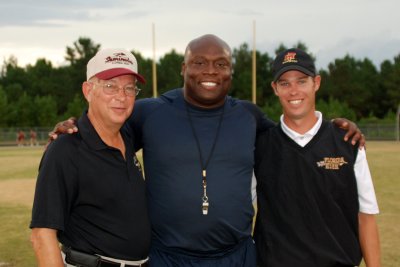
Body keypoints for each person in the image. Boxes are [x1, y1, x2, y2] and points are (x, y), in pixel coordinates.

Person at [50, 35, 365, 267]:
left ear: (231, 70)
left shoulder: (249, 116)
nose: (210, 71)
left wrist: (335, 127)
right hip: (167, 257)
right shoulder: (151, 112)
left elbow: (294, 136)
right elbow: (106, 125)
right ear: (184, 68)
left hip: (237, 256)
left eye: (221, 64)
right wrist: (73, 125)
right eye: (199, 63)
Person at [254, 48, 381, 267]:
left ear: (317, 83)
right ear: (275, 88)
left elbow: (366, 216)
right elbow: (243, 213)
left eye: (302, 81)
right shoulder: (260, 146)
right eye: (285, 83)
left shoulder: (348, 142)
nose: (294, 91)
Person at [30, 48, 151, 267]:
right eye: (110, 86)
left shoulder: (127, 134)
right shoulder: (66, 149)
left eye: (129, 88)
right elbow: (42, 236)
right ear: (88, 90)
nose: (121, 96)